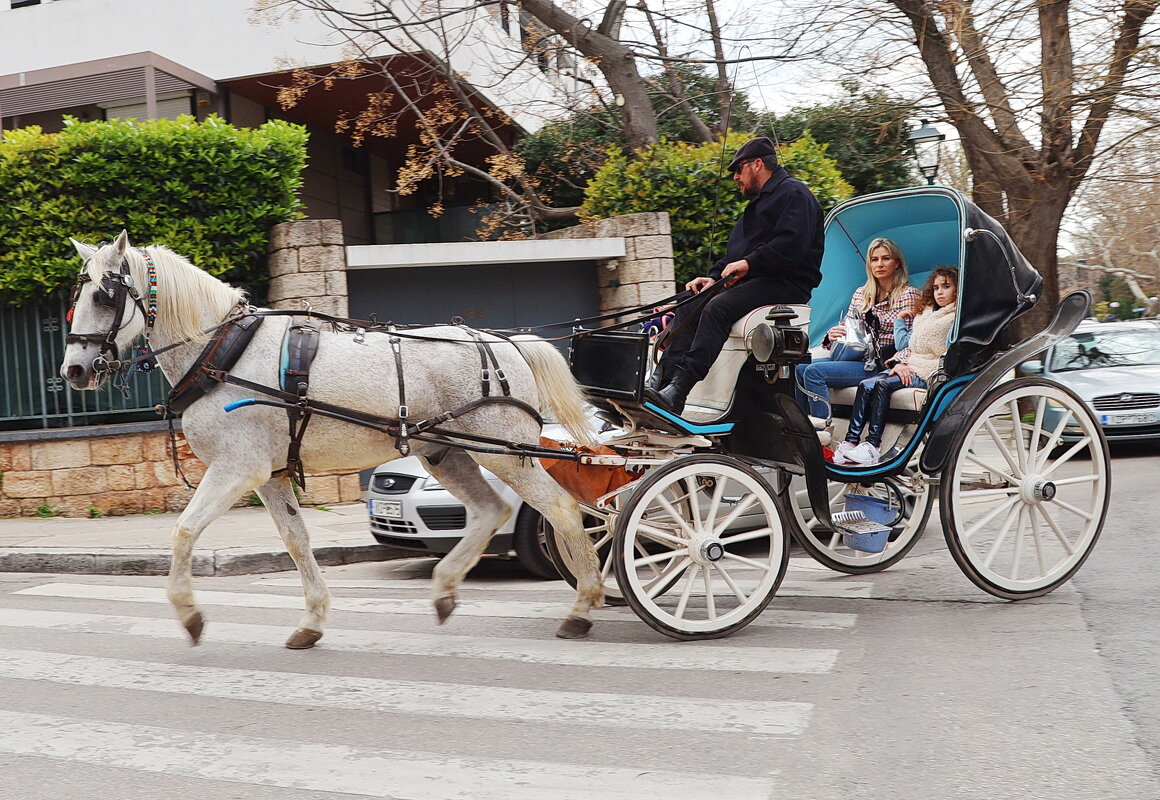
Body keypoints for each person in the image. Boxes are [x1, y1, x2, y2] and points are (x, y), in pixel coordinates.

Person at [645, 136, 825, 415]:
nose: (735, 177)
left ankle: (680, 389)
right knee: (691, 300)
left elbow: (792, 247)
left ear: (757, 164)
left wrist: (750, 264)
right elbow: (735, 255)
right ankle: (661, 383)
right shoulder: (759, 204)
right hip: (757, 280)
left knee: (718, 307)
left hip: (786, 284)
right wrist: (713, 278)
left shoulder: (795, 194)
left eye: (738, 170)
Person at [833, 266, 959, 465]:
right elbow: (904, 345)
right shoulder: (925, 314)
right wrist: (900, 321)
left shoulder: (955, 318)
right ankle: (851, 442)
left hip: (930, 370)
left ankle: (873, 445)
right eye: (935, 288)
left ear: (957, 289)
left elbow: (950, 352)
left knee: (883, 385)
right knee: (866, 384)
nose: (939, 292)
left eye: (946, 286)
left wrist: (911, 366)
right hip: (910, 363)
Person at [794, 237, 921, 426]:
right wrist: (831, 335)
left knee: (814, 372)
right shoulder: (861, 293)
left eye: (885, 258)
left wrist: (900, 363)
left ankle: (822, 430)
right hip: (855, 356)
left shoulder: (908, 294)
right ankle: (803, 427)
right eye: (874, 259)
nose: (879, 264)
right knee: (798, 367)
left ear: (897, 263)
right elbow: (849, 326)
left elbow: (911, 338)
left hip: (880, 363)